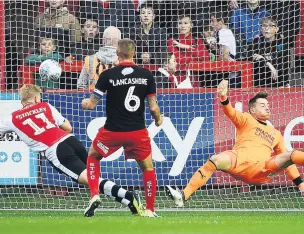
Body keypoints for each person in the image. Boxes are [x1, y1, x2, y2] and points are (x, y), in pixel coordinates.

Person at [0, 84, 142, 217]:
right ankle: (129, 202)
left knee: (89, 179)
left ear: (23, 100)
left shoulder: (12, 118)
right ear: (37, 98)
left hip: (54, 149)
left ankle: (129, 195)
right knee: (94, 178)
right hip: (71, 140)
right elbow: (68, 127)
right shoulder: (45, 106)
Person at [166, 79, 304, 207]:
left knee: (291, 155)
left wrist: (300, 184)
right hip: (238, 161)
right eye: (262, 105)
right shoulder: (246, 118)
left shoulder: (276, 134)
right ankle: (183, 195)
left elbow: (287, 163)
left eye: (268, 105)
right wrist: (223, 97)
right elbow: (230, 112)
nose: (267, 108)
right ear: (252, 110)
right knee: (215, 160)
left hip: (262, 169)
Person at [81, 38, 163, 217]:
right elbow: (153, 107)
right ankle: (150, 210)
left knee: (93, 157)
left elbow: (92, 104)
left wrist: (84, 103)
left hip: (112, 134)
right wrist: (158, 121)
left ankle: (94, 194)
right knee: (148, 169)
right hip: (137, 134)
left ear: (117, 53)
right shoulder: (147, 75)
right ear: (134, 53)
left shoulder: (108, 75)